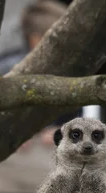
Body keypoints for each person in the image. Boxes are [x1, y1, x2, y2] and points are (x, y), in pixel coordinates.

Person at [17, 0, 83, 151]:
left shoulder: (69, 75)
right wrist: (13, 133)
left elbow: (75, 120)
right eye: (62, 43)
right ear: (36, 41)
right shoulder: (12, 74)